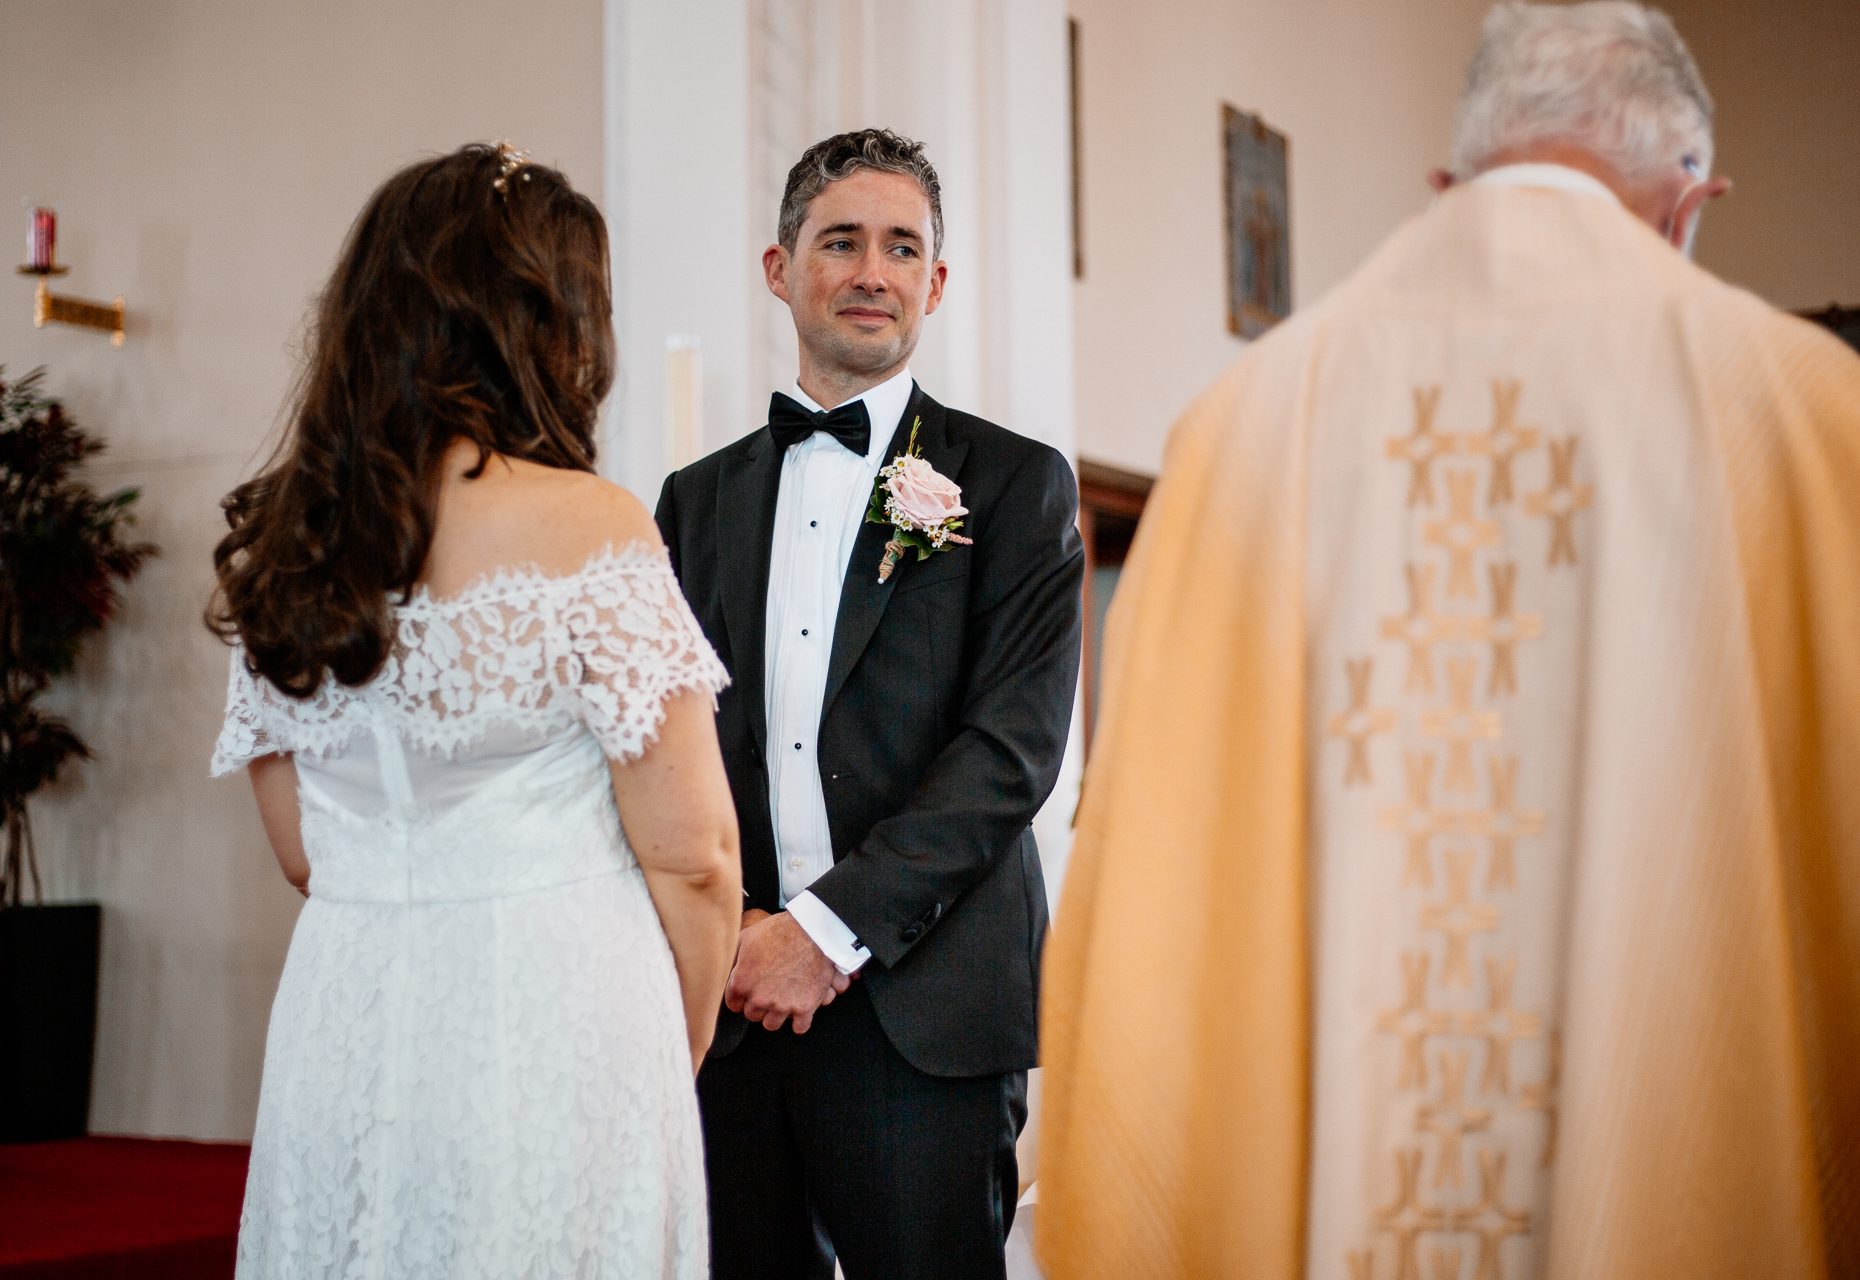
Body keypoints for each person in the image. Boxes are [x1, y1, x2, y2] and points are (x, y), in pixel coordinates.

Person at [1037, 5, 1859, 1280]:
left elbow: (1154, 889)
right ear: (1690, 203)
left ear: (1447, 187)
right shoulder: (1805, 414)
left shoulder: (1242, 429)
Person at [207, 143, 742, 1279]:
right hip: (554, 1014)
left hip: (343, 1018)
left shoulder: (289, 548)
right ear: (544, 326)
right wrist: (667, 1045)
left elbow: (304, 850)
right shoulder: (592, 526)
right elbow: (696, 856)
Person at [654, 128, 1084, 1278]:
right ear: (779, 266)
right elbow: (670, 741)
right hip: (735, 1005)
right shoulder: (692, 501)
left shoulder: (1015, 482)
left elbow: (1011, 750)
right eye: (840, 241)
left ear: (936, 282)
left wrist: (825, 933)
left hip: (922, 1011)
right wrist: (737, 936)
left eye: (903, 248)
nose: (871, 272)